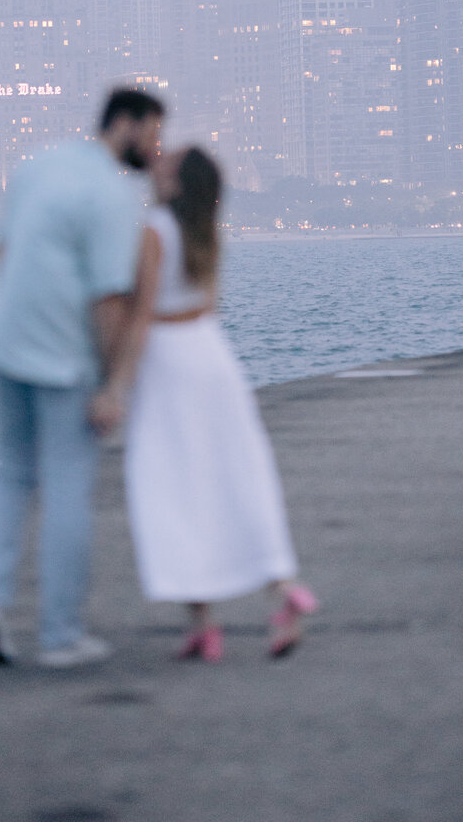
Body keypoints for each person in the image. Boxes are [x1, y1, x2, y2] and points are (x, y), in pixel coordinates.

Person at [0, 87, 165, 669]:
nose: (156, 145)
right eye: (152, 131)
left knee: (10, 473)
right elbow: (108, 300)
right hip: (62, 356)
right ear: (124, 124)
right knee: (67, 489)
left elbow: (2, 252)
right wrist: (111, 386)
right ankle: (60, 634)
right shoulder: (111, 195)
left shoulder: (39, 162)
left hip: (7, 341)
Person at [99, 145, 318, 662]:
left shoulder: (154, 230)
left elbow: (142, 313)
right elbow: (207, 303)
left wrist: (115, 385)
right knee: (235, 478)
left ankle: (205, 621)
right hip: (212, 356)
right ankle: (281, 592)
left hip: (170, 364)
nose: (156, 167)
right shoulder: (204, 233)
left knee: (172, 487)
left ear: (178, 183)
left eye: (167, 166)